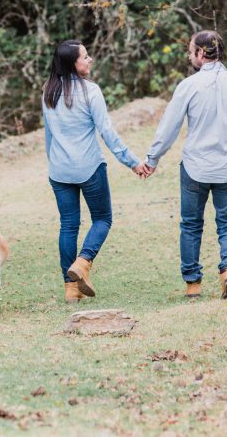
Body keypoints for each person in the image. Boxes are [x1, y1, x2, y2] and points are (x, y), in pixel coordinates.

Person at [145, 30, 227, 299]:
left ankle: (193, 284)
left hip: (195, 167)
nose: (190, 55)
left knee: (190, 224)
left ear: (200, 53)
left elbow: (169, 128)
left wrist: (152, 159)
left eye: (191, 50)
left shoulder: (188, 85)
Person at [42, 39, 152, 303]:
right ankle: (83, 262)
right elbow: (107, 133)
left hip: (59, 170)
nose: (90, 60)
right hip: (89, 167)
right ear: (72, 63)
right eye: (85, 57)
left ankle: (71, 289)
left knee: (68, 225)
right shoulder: (91, 91)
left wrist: (54, 162)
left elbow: (49, 135)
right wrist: (133, 161)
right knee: (103, 219)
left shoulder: (48, 91)